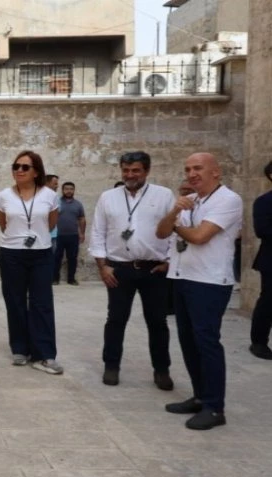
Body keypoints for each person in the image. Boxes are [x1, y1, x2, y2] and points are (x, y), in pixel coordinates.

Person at [156, 152, 242, 430]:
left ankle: (215, 408)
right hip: (183, 277)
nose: (192, 173)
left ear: (216, 172)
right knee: (188, 341)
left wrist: (178, 223)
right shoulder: (191, 200)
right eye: (188, 168)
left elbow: (200, 236)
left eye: (198, 168)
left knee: (207, 343)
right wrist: (174, 211)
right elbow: (160, 232)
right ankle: (200, 396)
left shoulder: (228, 200)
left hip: (210, 282)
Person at [89, 151, 175, 390]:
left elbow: (175, 229)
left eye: (135, 170)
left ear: (146, 171)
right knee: (116, 320)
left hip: (154, 270)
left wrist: (169, 261)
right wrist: (103, 266)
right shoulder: (108, 197)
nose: (130, 175)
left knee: (157, 321)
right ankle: (111, 366)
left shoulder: (164, 195)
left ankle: (161, 370)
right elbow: (98, 232)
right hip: (119, 270)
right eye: (125, 170)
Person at [0, 151, 63, 374]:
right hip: (11, 253)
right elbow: (4, 225)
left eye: (25, 167)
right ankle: (20, 348)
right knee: (14, 301)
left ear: (36, 172)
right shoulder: (4, 195)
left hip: (41, 253)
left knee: (42, 302)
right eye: (16, 166)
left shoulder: (49, 195)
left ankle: (44, 354)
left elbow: (51, 224)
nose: (19, 171)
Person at [249, 160, 272, 360]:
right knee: (268, 301)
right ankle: (259, 342)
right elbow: (262, 230)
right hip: (271, 260)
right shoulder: (264, 201)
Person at [53, 181, 86, 285]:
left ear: (74, 190)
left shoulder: (78, 204)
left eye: (71, 189)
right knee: (56, 258)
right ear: (62, 190)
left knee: (72, 258)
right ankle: (54, 279)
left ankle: (71, 279)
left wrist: (82, 233)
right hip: (58, 236)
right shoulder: (57, 203)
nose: (69, 191)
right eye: (66, 189)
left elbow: (82, 219)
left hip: (73, 236)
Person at [45, 174, 59, 255]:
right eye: (55, 184)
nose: (57, 186)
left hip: (53, 235)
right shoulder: (36, 196)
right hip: (40, 236)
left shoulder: (55, 196)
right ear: (47, 183)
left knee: (51, 260)